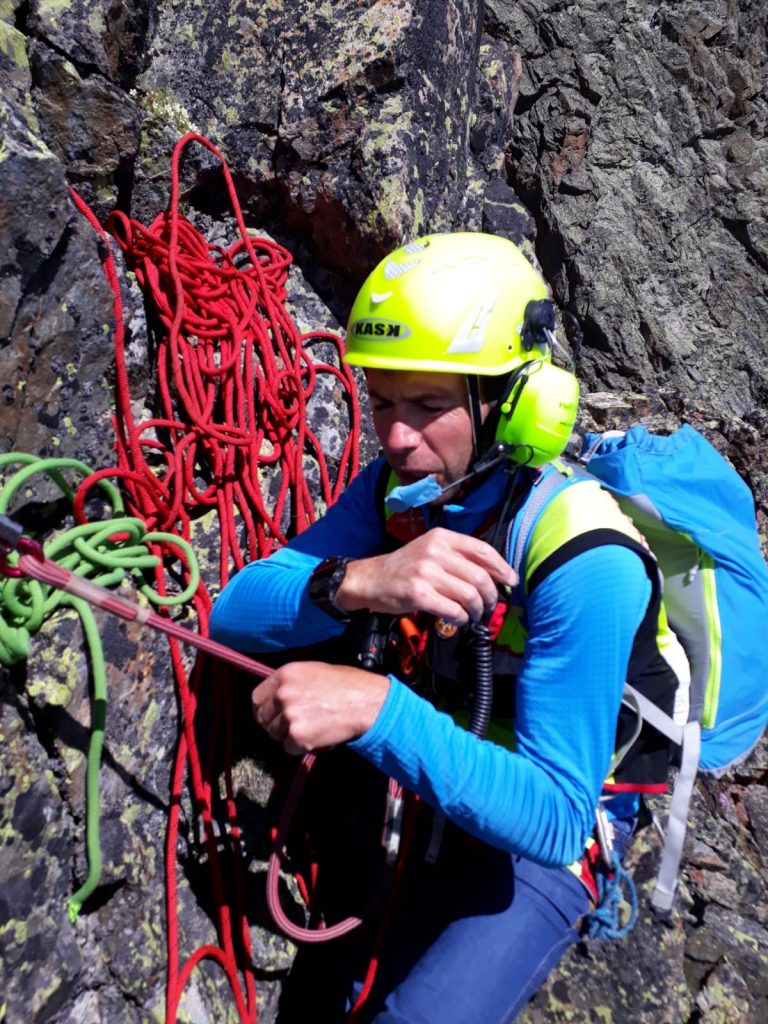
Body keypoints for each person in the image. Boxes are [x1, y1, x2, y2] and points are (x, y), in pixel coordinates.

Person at [210, 232, 682, 1022]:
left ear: (512, 405)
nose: (397, 437)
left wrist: (372, 708)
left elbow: (556, 818)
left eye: (429, 405)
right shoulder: (399, 490)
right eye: (384, 401)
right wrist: (358, 580)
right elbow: (235, 615)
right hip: (447, 753)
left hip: (557, 814)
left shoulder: (583, 557)